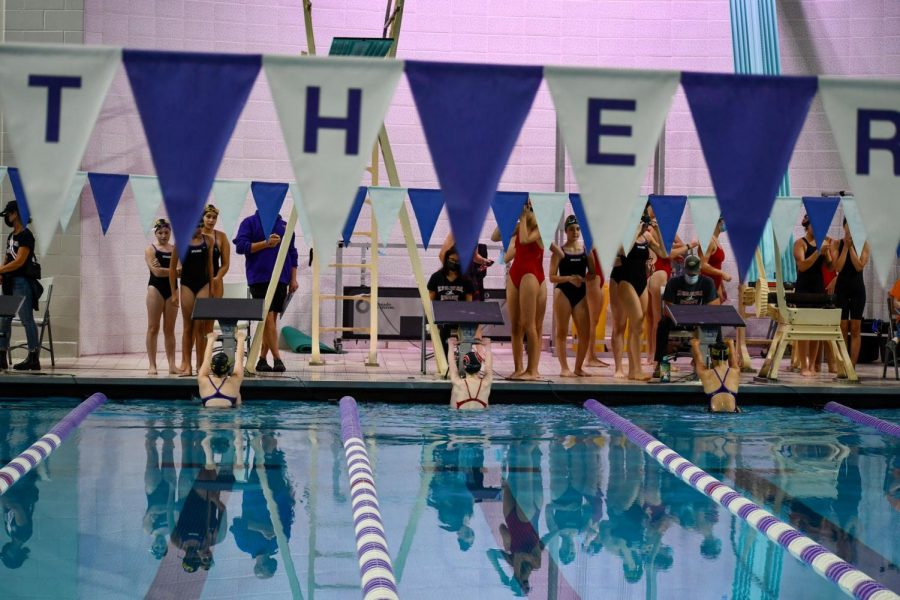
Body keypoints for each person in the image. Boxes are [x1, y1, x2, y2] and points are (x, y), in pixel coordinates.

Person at [234, 211, 299, 373]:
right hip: (259, 277)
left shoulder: (284, 226)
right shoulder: (249, 222)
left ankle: (262, 359)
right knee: (268, 317)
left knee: (270, 320)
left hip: (281, 278)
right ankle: (277, 358)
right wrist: (265, 243)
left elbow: (292, 253)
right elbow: (241, 247)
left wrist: (293, 279)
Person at [609, 210, 667, 380]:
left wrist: (660, 232)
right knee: (622, 324)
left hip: (641, 282)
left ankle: (634, 369)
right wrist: (636, 230)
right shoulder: (623, 236)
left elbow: (664, 253)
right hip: (622, 280)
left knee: (638, 325)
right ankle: (621, 367)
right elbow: (622, 250)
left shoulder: (647, 238)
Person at [652, 255, 719, 376]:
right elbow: (668, 309)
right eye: (689, 272)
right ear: (684, 269)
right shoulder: (673, 283)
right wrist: (684, 315)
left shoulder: (708, 282)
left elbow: (713, 307)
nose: (691, 275)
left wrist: (696, 315)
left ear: (699, 270)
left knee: (716, 323)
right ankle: (661, 363)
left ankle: (718, 359)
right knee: (663, 323)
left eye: (694, 273)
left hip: (697, 320)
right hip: (677, 319)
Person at [505, 200, 547, 380]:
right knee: (515, 325)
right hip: (515, 274)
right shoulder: (518, 226)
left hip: (532, 275)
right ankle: (518, 368)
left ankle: (532, 370)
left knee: (530, 325)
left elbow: (524, 240)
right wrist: (509, 216)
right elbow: (495, 235)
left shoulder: (542, 229)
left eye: (528, 209)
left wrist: (523, 218)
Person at [549, 215, 594, 377]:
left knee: (585, 333)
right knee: (561, 332)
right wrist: (570, 278)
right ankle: (564, 368)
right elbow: (552, 277)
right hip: (563, 293)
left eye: (577, 229)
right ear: (566, 231)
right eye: (571, 229)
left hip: (580, 293)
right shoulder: (559, 252)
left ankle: (578, 367)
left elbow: (592, 274)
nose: (575, 232)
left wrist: (582, 279)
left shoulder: (586, 251)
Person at [0, 201, 42, 371]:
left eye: (8, 214)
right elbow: (7, 258)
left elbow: (19, 262)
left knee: (26, 320)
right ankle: (1, 356)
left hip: (21, 282)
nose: (7, 217)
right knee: (4, 320)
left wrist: (0, 270)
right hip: (9, 282)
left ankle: (33, 357)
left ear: (15, 214)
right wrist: (2, 272)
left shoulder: (26, 235)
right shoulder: (12, 236)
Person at [169, 220, 214, 375]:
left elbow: (210, 267)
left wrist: (212, 289)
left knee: (200, 327)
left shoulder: (208, 241)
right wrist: (174, 292)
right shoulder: (180, 242)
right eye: (197, 226)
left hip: (203, 285)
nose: (200, 229)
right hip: (187, 285)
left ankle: (200, 364)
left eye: (201, 226)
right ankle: (187, 365)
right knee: (188, 327)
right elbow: (172, 269)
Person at [792, 214, 832, 376]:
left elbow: (830, 267)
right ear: (807, 226)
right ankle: (804, 365)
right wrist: (818, 252)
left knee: (816, 329)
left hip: (818, 289)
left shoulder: (822, 244)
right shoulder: (799, 244)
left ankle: (813, 365)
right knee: (803, 329)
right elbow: (802, 266)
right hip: (803, 290)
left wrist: (828, 253)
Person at [831, 219, 870, 366]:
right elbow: (838, 267)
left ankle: (851, 364)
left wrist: (851, 247)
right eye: (848, 229)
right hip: (841, 289)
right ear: (844, 228)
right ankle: (843, 363)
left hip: (857, 290)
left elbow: (859, 266)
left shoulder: (864, 245)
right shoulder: (837, 244)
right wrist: (846, 248)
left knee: (855, 328)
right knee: (842, 326)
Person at [428, 246, 475, 360]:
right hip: (442, 317)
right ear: (446, 260)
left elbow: (469, 303)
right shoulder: (436, 277)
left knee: (467, 329)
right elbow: (431, 301)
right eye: (452, 260)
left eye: (457, 261)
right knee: (444, 329)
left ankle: (465, 362)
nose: (454, 263)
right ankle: (445, 362)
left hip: (460, 316)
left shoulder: (466, 279)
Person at [145, 218, 179, 375]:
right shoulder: (150, 249)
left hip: (172, 290)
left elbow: (181, 272)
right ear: (155, 233)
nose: (164, 236)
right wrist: (172, 270)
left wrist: (168, 270)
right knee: (153, 328)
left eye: (166, 232)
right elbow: (156, 272)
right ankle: (152, 365)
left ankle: (172, 365)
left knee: (169, 329)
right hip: (155, 289)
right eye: (160, 233)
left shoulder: (175, 249)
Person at [198, 330, 246, 408]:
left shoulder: (203, 379)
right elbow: (239, 360)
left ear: (211, 368)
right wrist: (240, 339)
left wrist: (210, 339)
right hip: (229, 413)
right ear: (228, 368)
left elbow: (206, 360)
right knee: (237, 395)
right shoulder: (235, 381)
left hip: (207, 415)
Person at [692, 338, 740, 413]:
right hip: (732, 417)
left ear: (712, 357)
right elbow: (733, 358)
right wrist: (730, 343)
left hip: (714, 417)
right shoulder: (736, 371)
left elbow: (698, 358)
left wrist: (695, 344)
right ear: (727, 356)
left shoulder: (705, 374)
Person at [448, 337, 492, 409]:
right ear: (480, 366)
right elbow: (489, 367)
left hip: (461, 416)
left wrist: (451, 345)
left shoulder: (458, 382)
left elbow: (452, 366)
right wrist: (488, 346)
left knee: (454, 391)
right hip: (481, 418)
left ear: (464, 366)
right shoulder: (486, 383)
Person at [584, 247, 609, 368]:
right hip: (594, 278)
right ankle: (589, 357)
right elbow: (589, 252)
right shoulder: (593, 238)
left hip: (600, 278)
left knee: (595, 321)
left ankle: (592, 355)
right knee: (591, 321)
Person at [201, 204, 231, 299]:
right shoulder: (194, 235)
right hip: (197, 277)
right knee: (198, 311)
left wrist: (218, 277)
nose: (211, 220)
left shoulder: (221, 237)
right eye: (208, 216)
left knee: (215, 311)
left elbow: (225, 264)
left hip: (215, 277)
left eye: (214, 217)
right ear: (202, 217)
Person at [700, 218, 731, 302]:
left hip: (715, 285)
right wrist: (722, 273)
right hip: (706, 286)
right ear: (718, 222)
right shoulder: (709, 241)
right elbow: (702, 266)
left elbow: (717, 265)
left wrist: (721, 287)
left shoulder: (716, 240)